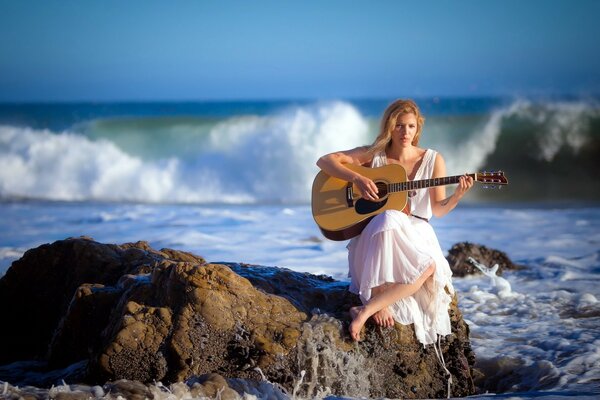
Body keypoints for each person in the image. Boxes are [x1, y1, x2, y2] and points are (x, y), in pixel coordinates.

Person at [316, 99, 473, 344]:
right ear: (390, 127)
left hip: (417, 231)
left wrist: (457, 195)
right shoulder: (374, 154)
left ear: (417, 128)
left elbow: (438, 210)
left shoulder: (433, 160)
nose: (405, 132)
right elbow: (325, 161)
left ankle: (366, 309)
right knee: (389, 216)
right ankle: (378, 298)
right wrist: (356, 178)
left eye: (410, 126)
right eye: (399, 126)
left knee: (429, 266)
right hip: (378, 233)